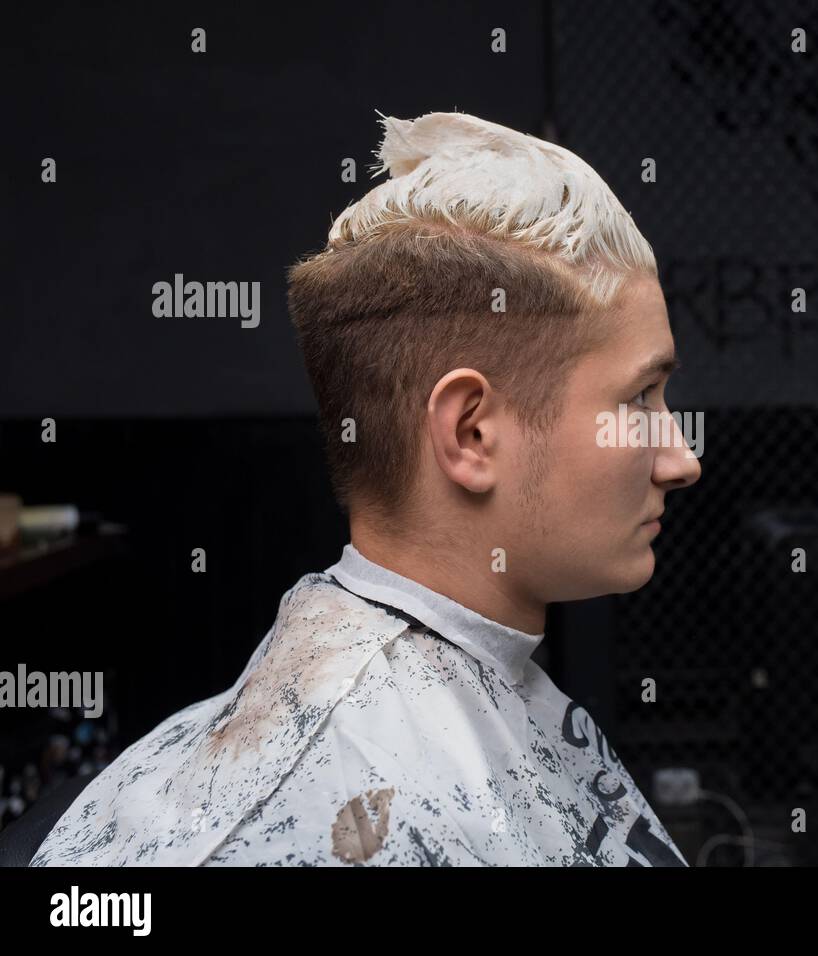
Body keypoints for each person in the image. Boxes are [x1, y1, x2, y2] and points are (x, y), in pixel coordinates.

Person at [31, 110, 701, 866]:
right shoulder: (323, 806)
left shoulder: (466, 684)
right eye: (639, 399)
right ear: (472, 433)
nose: (681, 459)